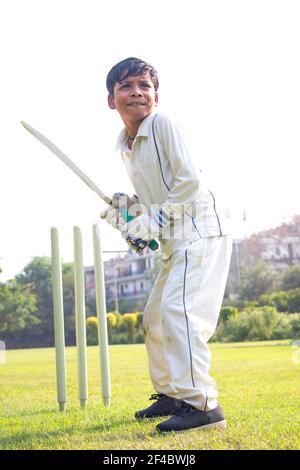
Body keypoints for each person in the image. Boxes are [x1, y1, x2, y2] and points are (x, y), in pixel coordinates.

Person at [101, 57, 232, 433]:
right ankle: (172, 395)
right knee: (155, 320)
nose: (137, 92)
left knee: (179, 314)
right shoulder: (127, 147)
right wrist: (131, 212)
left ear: (156, 96)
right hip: (175, 243)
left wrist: (153, 219)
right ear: (112, 100)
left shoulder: (161, 124)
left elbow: (189, 181)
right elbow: (159, 198)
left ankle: (202, 406)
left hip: (200, 232)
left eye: (144, 85)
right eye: (126, 86)